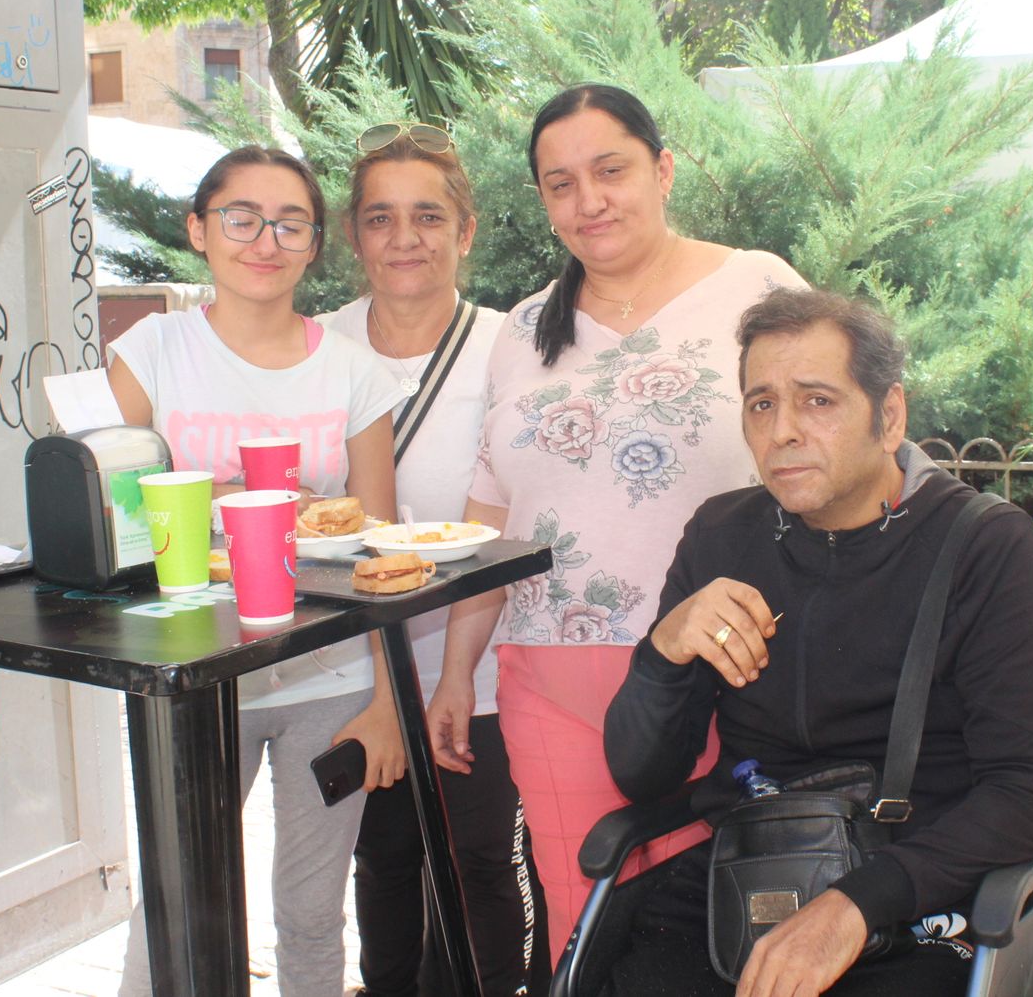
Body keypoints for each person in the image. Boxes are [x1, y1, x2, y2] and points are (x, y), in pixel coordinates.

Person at [599, 287, 1033, 996]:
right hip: (747, 871)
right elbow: (641, 775)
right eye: (762, 403)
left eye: (817, 400)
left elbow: (1029, 785)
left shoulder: (979, 543)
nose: (783, 430)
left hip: (920, 886)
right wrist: (664, 654)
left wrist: (858, 904)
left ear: (889, 417)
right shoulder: (720, 535)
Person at [426, 84, 813, 963]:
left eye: (610, 171)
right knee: (584, 932)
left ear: (663, 169)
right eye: (560, 183)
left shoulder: (757, 286)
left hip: (724, 671)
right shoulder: (525, 327)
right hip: (550, 687)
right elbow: (493, 516)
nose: (587, 200)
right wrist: (457, 671)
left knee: (729, 929)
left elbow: (826, 451)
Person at [106, 145, 406, 996]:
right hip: (193, 677)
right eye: (241, 217)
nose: (264, 240)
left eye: (291, 223)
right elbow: (111, 516)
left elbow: (377, 546)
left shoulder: (354, 371)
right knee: (173, 904)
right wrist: (213, 499)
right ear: (199, 229)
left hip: (328, 679)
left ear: (316, 244)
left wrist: (386, 699)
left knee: (312, 912)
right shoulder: (151, 351)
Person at [317, 121, 548, 997]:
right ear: (354, 235)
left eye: (426, 216)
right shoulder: (318, 345)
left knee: (482, 858)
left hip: (477, 660)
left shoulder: (512, 346)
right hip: (356, 666)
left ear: (466, 230)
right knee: (380, 862)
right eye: (379, 218)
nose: (403, 238)